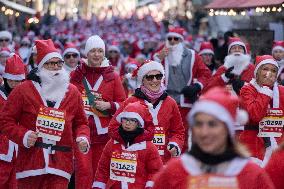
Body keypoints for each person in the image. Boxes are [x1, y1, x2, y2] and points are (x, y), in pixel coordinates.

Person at [0, 39, 90, 189]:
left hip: (61, 164)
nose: (55, 68)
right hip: (30, 164)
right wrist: (24, 135)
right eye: (50, 64)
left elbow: (81, 122)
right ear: (41, 66)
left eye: (58, 64)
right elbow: (5, 120)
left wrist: (82, 137)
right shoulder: (23, 90)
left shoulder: (72, 92)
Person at [153, 87, 274, 189]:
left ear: (228, 129)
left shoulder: (251, 174)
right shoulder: (175, 171)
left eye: (212, 124)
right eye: (199, 124)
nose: (204, 132)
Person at [70, 35, 126, 189]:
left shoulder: (113, 76)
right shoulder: (76, 75)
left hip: (104, 135)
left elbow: (124, 104)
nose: (96, 54)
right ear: (86, 53)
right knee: (83, 172)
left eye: (100, 51)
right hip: (81, 134)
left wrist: (109, 105)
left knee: (101, 174)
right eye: (93, 51)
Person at [109, 60, 184, 163]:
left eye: (158, 76)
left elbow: (178, 131)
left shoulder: (170, 103)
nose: (154, 80)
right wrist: (132, 138)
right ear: (142, 80)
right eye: (149, 77)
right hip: (137, 162)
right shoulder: (131, 101)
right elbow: (113, 128)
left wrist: (174, 144)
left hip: (162, 161)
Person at [154, 27, 211, 151]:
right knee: (163, 133)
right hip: (164, 100)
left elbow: (205, 74)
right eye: (170, 38)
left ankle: (181, 164)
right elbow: (148, 72)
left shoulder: (192, 55)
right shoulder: (161, 54)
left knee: (182, 134)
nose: (173, 41)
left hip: (184, 101)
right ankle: (165, 163)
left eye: (176, 39)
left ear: (181, 40)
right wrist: (158, 59)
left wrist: (197, 86)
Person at [93, 102, 163, 189]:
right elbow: (103, 170)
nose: (127, 123)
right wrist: (98, 187)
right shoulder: (112, 144)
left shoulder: (148, 147)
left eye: (132, 120)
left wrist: (149, 187)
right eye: (125, 119)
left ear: (138, 123)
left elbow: (155, 172)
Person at [239, 55, 284, 167]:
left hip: (278, 143)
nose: (269, 73)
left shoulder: (282, 91)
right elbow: (255, 115)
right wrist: (266, 89)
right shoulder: (247, 90)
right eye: (265, 69)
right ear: (257, 72)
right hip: (252, 144)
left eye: (273, 70)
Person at [0, 54, 25, 189]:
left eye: (18, 81)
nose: (15, 85)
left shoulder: (26, 96)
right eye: (11, 81)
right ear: (6, 78)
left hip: (19, 152)